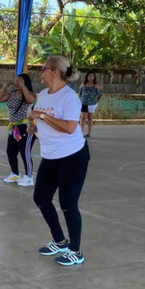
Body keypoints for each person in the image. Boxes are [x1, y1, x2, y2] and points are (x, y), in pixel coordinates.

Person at [28, 56, 90, 266]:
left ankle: (76, 250)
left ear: (55, 72)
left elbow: (70, 127)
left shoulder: (69, 97)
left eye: (43, 69)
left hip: (73, 156)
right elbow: (43, 118)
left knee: (68, 204)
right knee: (41, 198)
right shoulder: (44, 94)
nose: (41, 73)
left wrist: (42, 117)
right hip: (50, 156)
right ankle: (60, 240)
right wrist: (35, 125)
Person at [0, 74, 36, 186]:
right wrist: (5, 86)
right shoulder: (12, 94)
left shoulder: (29, 94)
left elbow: (30, 100)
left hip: (25, 126)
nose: (17, 82)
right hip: (13, 127)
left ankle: (29, 177)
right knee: (11, 151)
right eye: (17, 80)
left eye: (20, 81)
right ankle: (15, 173)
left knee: (25, 152)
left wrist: (23, 87)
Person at [78, 72, 103, 138]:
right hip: (84, 103)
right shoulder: (83, 84)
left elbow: (100, 95)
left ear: (94, 77)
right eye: (89, 76)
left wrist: (96, 101)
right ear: (87, 77)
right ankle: (80, 133)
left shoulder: (96, 85)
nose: (91, 77)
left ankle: (89, 133)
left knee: (90, 118)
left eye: (92, 76)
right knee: (83, 118)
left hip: (92, 104)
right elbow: (80, 93)